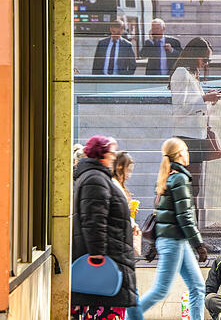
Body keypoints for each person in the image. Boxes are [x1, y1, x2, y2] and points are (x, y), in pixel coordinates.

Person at [127, 137, 208, 320]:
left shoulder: (167, 176)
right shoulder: (179, 178)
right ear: (179, 154)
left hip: (176, 240)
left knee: (197, 287)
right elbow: (185, 216)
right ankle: (129, 317)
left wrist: (154, 244)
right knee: (161, 290)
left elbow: (162, 216)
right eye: (186, 150)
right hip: (174, 242)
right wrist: (199, 244)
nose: (188, 154)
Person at [71, 136, 137, 320]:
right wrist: (98, 255)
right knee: (104, 310)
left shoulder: (95, 177)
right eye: (111, 153)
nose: (114, 157)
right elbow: (94, 220)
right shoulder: (96, 179)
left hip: (110, 256)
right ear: (102, 154)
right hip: (107, 260)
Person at [169, 36, 221, 220]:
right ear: (195, 55)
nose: (206, 63)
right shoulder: (181, 73)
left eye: (208, 60)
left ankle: (192, 229)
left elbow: (194, 106)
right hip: (187, 138)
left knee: (194, 188)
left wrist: (207, 99)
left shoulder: (191, 74)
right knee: (189, 189)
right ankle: (189, 229)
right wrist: (204, 99)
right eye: (204, 59)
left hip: (196, 137)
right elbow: (179, 109)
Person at [112, 151, 142, 256]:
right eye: (128, 170)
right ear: (120, 167)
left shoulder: (117, 184)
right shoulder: (114, 184)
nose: (129, 175)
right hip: (118, 240)